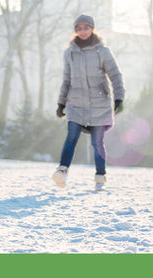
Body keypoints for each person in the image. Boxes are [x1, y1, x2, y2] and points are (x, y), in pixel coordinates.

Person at [53, 14, 125, 191]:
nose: (82, 31)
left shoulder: (103, 51)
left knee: (97, 142)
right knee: (71, 137)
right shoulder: (69, 53)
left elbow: (115, 75)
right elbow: (66, 80)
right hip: (75, 103)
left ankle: (100, 176)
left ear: (92, 29)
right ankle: (62, 171)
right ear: (75, 31)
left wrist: (119, 97)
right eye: (78, 28)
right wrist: (61, 103)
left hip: (99, 103)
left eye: (86, 28)